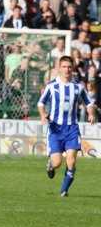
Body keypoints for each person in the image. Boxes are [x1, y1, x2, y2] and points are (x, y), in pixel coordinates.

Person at [38, 55, 96, 197]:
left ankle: (64, 191)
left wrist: (91, 113)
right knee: (57, 163)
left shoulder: (78, 87)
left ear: (73, 68)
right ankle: (51, 164)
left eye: (69, 67)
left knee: (71, 161)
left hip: (72, 129)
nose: (67, 69)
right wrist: (43, 114)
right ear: (59, 68)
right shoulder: (52, 86)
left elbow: (89, 103)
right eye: (64, 66)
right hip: (55, 129)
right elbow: (41, 103)